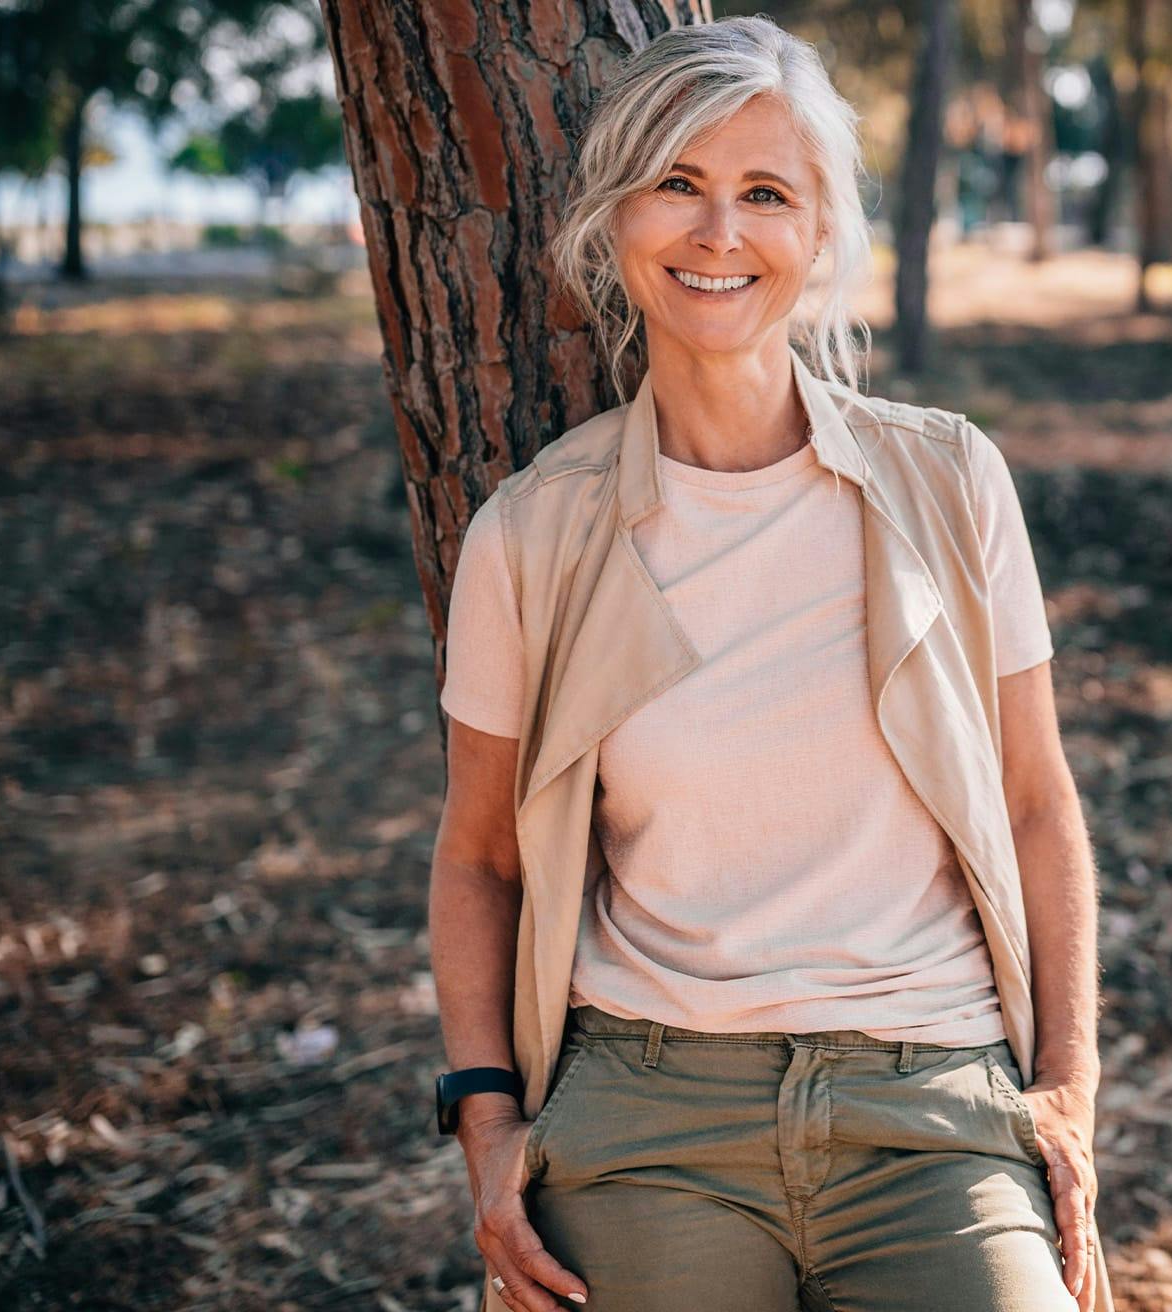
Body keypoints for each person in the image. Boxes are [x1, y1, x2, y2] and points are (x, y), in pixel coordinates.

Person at [427, 16, 1111, 1312]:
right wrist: (487, 1127)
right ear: (615, 215)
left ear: (819, 234)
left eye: (764, 194)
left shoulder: (950, 481)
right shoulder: (532, 535)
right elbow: (478, 857)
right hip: (649, 1111)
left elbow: (1036, 803)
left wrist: (1067, 1090)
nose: (718, 234)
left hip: (931, 1095)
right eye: (677, 183)